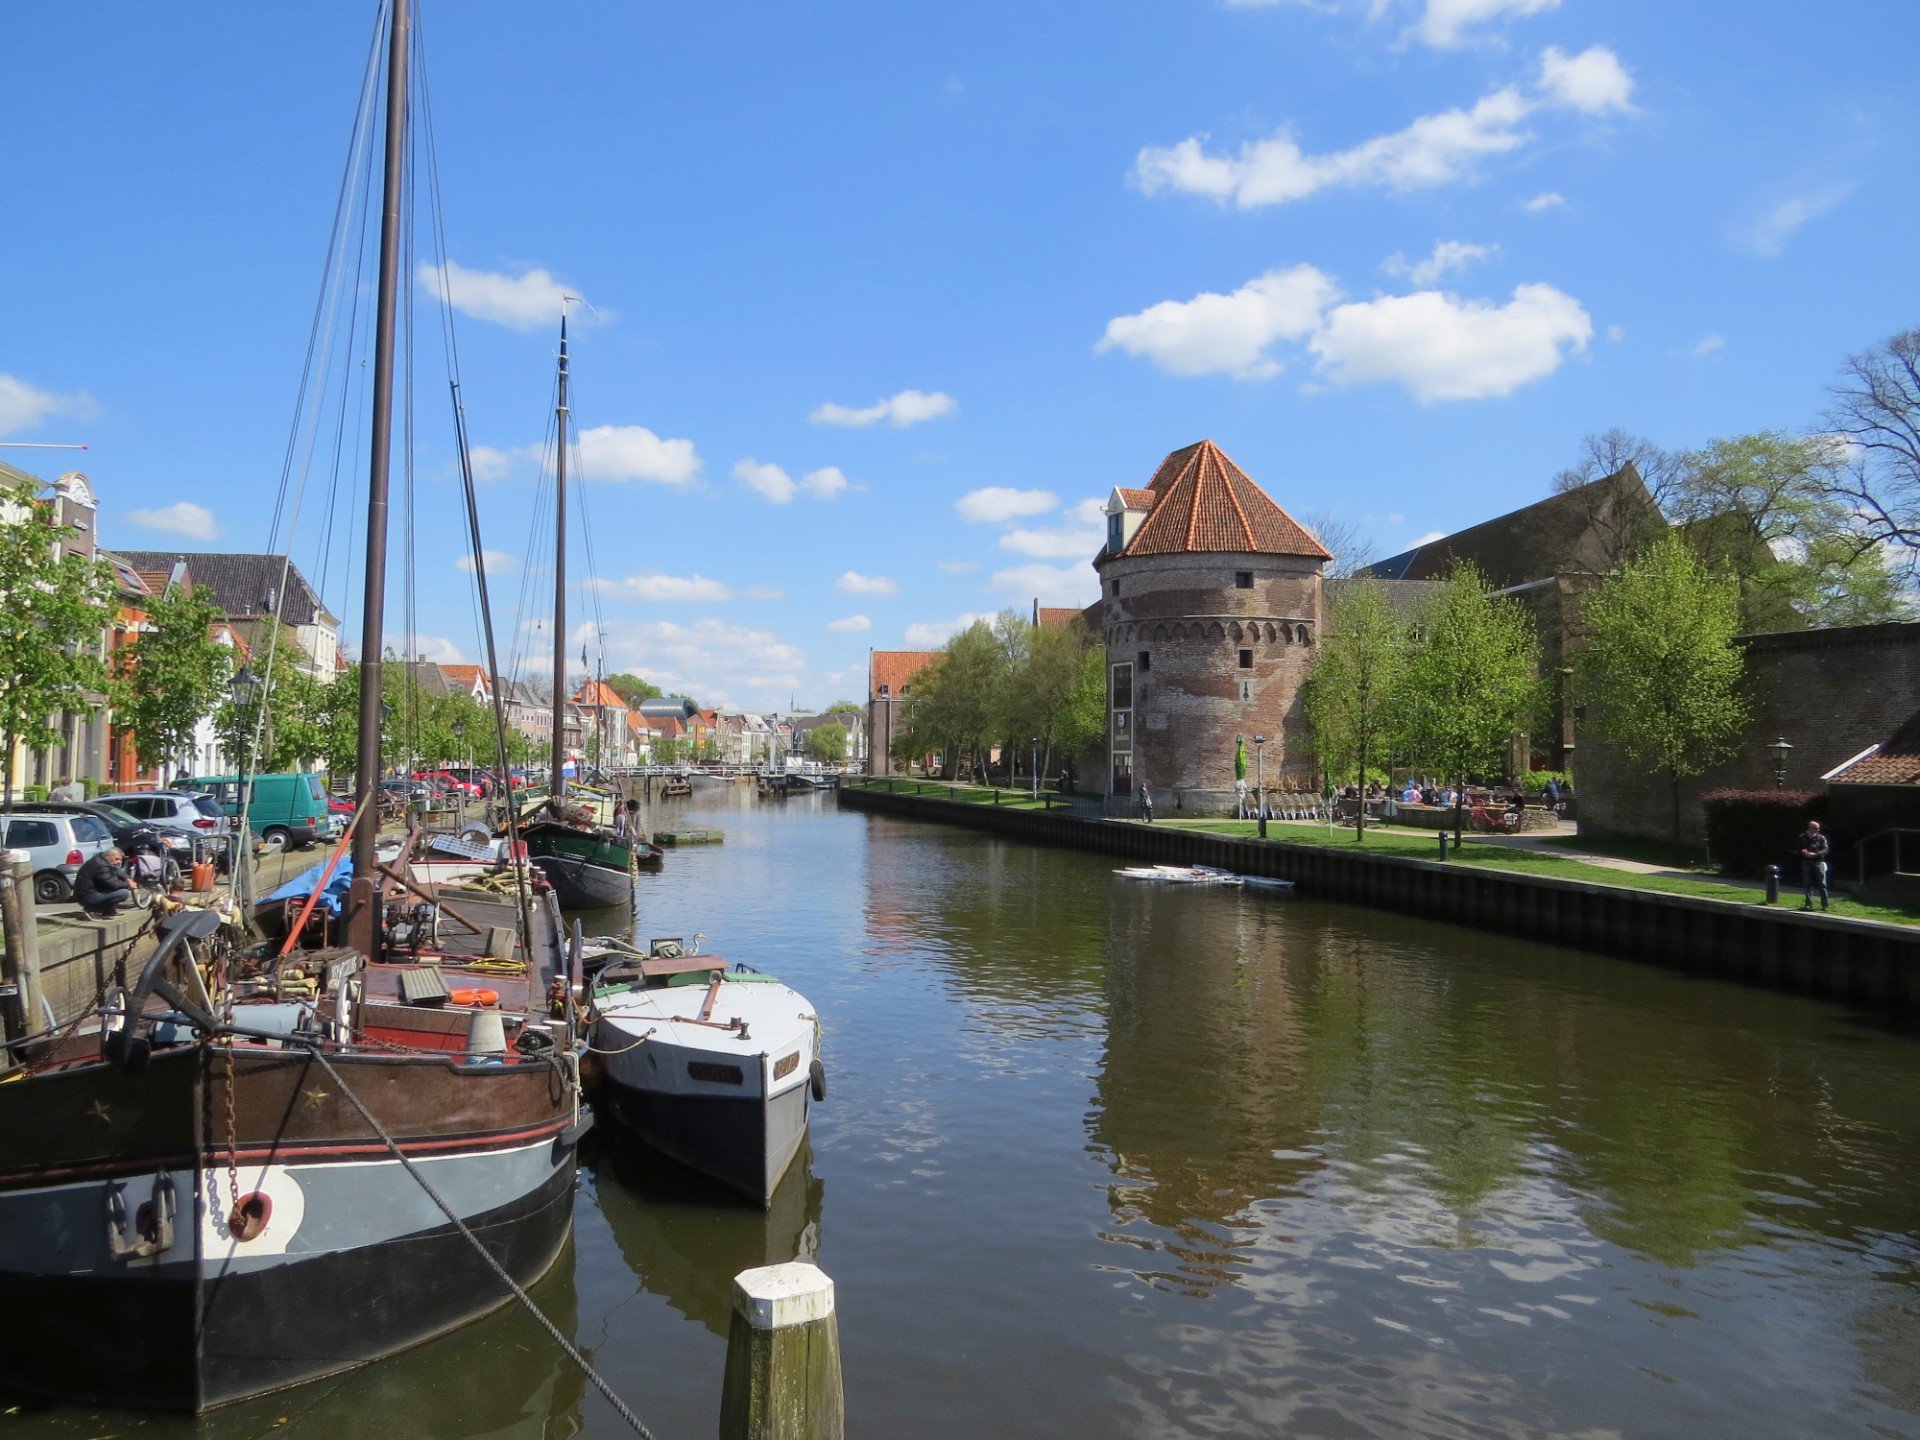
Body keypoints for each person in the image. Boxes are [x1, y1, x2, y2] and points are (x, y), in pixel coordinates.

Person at [74, 847, 133, 917]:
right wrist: (128, 884)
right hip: (87, 896)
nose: (119, 862)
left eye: (120, 860)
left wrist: (128, 878)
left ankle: (109, 911)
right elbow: (112, 884)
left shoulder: (103, 860)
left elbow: (117, 871)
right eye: (117, 859)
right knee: (123, 893)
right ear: (108, 856)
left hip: (93, 891)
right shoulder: (101, 865)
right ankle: (91, 909)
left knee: (120, 890)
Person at [1795, 819, 1831, 911]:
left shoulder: (1821, 838)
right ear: (1810, 828)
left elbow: (1825, 850)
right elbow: (1796, 848)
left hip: (1818, 862)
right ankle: (1808, 904)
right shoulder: (1802, 837)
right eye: (1815, 828)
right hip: (1806, 862)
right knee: (1807, 884)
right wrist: (1802, 851)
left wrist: (1816, 854)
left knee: (1822, 884)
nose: (1817, 830)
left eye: (1818, 828)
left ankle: (1825, 905)